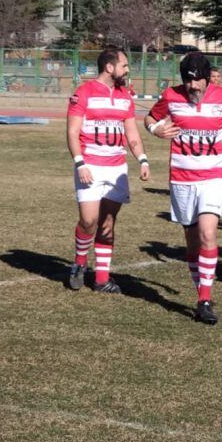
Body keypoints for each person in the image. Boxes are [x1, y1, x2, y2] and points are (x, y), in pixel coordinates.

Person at [145, 51, 222, 325]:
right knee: (192, 241)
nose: (193, 87)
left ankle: (204, 299)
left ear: (207, 78)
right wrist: (156, 130)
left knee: (207, 233)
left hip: (213, 178)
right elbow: (149, 118)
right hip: (181, 179)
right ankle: (201, 292)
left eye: (198, 82)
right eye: (188, 82)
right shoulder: (171, 96)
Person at [66, 47, 150, 293]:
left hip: (116, 168)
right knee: (89, 221)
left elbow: (131, 132)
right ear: (109, 67)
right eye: (124, 65)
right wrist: (80, 163)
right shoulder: (84, 92)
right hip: (90, 166)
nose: (127, 70)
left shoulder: (125, 96)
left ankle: (102, 278)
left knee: (108, 222)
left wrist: (142, 159)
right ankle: (79, 263)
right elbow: (72, 132)